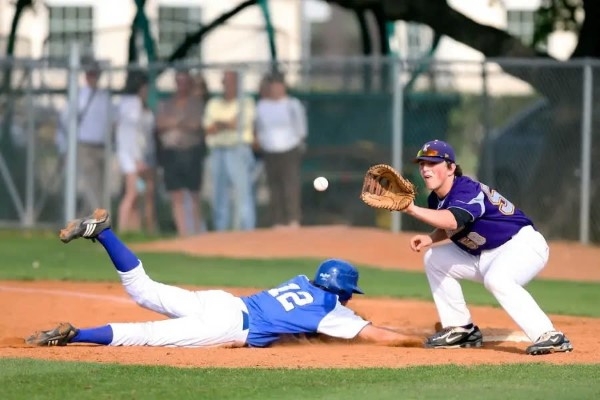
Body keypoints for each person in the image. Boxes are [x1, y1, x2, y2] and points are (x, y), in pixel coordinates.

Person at [25, 209, 422, 349]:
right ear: (341, 291)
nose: (349, 302)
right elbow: (377, 335)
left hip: (223, 302)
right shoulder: (329, 310)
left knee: (143, 289)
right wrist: (423, 340)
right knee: (144, 334)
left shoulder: (302, 281)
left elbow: (301, 324)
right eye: (348, 295)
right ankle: (75, 335)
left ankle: (104, 232)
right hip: (228, 324)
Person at [403, 139, 573, 355]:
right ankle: (461, 330)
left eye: (432, 163)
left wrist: (411, 210)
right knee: (434, 259)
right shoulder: (435, 199)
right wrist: (431, 238)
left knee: (498, 279)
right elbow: (451, 225)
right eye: (422, 164)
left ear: (450, 168)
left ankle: (549, 335)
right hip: (485, 254)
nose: (425, 169)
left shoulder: (466, 189)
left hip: (522, 245)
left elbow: (455, 219)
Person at [55, 57, 114, 213]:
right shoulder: (79, 97)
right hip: (85, 146)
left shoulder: (104, 97)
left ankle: (88, 221)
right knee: (92, 185)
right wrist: (64, 147)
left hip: (102, 146)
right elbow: (64, 122)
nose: (94, 77)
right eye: (91, 74)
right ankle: (100, 222)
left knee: (100, 186)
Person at [203, 70, 256, 231]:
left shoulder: (246, 102)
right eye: (225, 82)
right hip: (218, 150)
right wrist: (226, 123)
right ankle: (221, 232)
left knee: (242, 193)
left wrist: (220, 124)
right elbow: (209, 128)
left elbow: (239, 125)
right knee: (219, 194)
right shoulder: (214, 104)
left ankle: (246, 230)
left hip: (238, 150)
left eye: (231, 81)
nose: (227, 85)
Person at [155, 69, 205, 237]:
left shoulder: (196, 104)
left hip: (191, 152)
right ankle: (183, 233)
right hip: (171, 153)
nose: (181, 85)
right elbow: (160, 124)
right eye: (179, 81)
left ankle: (197, 232)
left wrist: (174, 122)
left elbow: (195, 125)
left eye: (185, 82)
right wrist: (180, 122)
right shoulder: (167, 103)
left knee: (194, 194)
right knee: (175, 194)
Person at [254, 73, 307, 229]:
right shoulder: (262, 106)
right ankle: (278, 220)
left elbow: (301, 127)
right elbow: (259, 128)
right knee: (273, 185)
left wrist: (297, 143)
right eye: (273, 86)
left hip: (289, 148)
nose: (275, 89)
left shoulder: (292, 104)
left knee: (290, 184)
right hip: (269, 150)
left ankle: (293, 219)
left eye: (278, 85)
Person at [115, 71, 157, 234]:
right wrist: (137, 158)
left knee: (141, 193)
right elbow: (133, 135)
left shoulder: (139, 105)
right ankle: (122, 228)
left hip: (141, 155)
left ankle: (135, 229)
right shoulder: (132, 105)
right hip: (132, 157)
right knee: (132, 193)